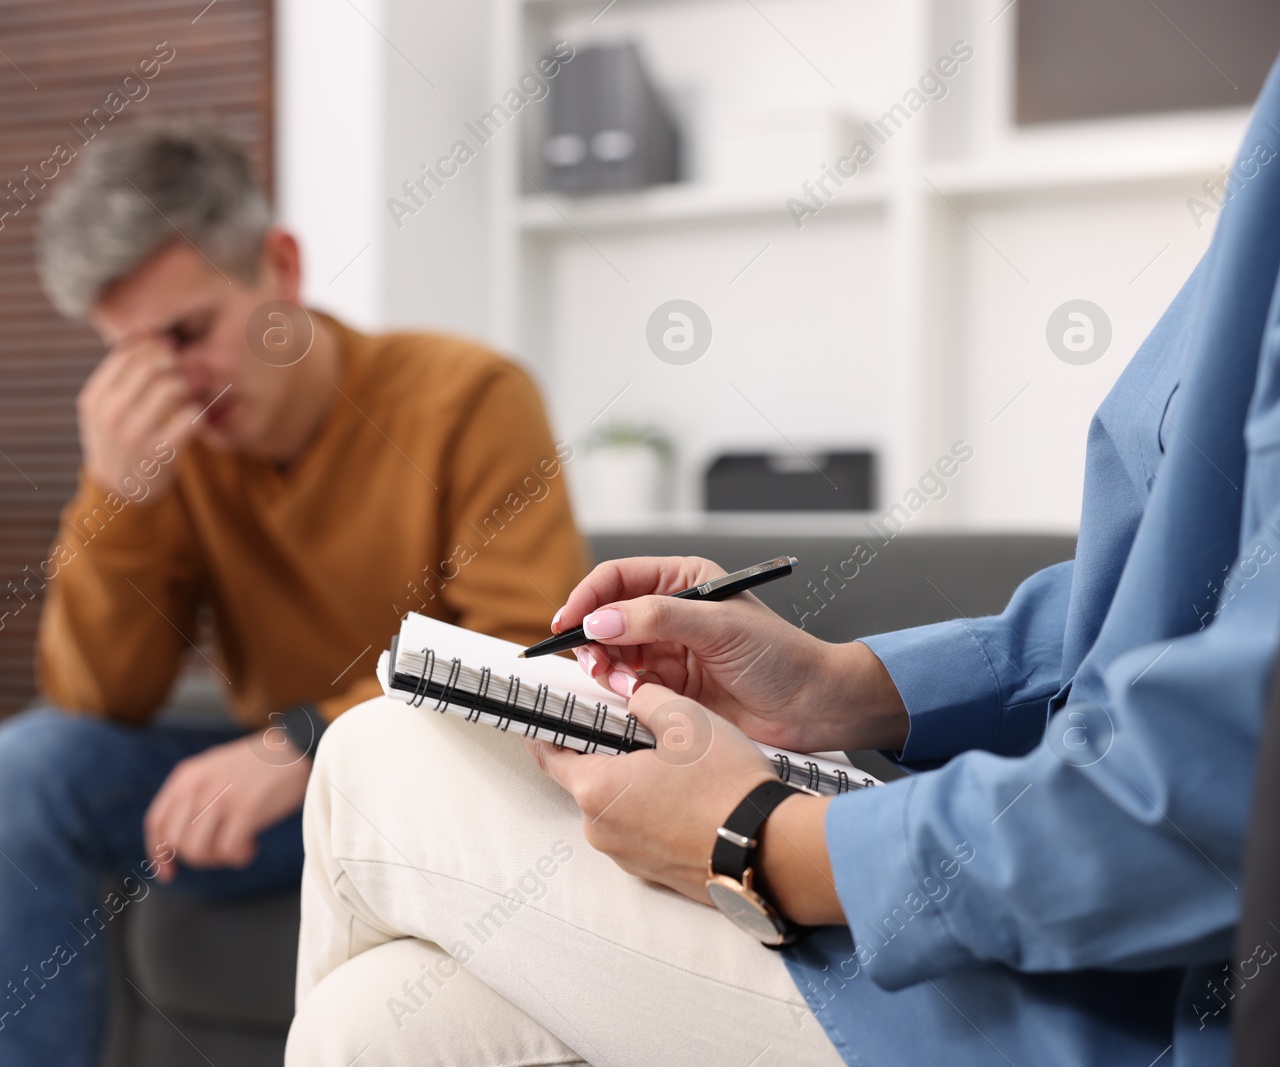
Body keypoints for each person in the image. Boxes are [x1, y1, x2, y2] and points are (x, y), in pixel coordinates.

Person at [284, 57, 1280, 1067]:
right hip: (1055, 903)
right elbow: (1179, 604)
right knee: (371, 1026)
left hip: (1139, 1003)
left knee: (381, 754)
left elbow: (1208, 796)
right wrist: (845, 685)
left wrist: (757, 835)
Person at [0, 118, 587, 1066]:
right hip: (278, 806)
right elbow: (99, 699)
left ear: (279, 267)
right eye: (131, 354)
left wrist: (307, 738)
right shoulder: (177, 451)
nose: (173, 379)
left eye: (188, 331)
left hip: (437, 789)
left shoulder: (467, 396)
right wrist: (115, 500)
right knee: (20, 769)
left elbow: (520, 657)